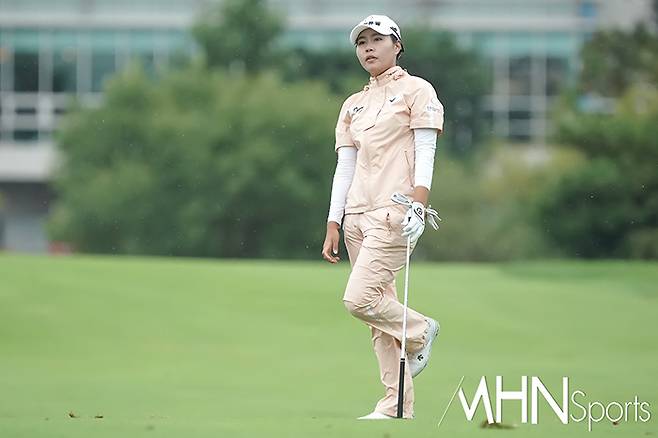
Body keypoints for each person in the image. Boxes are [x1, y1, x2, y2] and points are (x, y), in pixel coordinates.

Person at [321, 15, 445, 420]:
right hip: (356, 215)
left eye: (377, 39)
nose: (369, 47)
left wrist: (419, 204)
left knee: (359, 299)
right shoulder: (352, 105)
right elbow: (345, 166)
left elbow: (425, 149)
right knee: (378, 315)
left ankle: (420, 330)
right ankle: (396, 405)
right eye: (362, 42)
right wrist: (334, 221)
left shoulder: (417, 90)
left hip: (395, 211)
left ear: (397, 45)